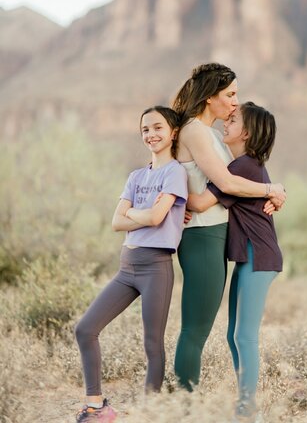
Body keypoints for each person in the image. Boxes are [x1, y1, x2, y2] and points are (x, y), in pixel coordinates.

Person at [172, 63, 285, 392]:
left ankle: (232, 406)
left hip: (218, 238)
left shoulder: (212, 136)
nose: (236, 102)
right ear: (210, 98)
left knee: (223, 332)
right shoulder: (195, 129)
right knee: (197, 330)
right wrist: (271, 190)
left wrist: (275, 191)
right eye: (230, 95)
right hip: (203, 235)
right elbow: (221, 185)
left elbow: (241, 177)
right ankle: (184, 406)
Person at [74, 106, 187, 422]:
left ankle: (149, 412)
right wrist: (143, 215)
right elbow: (115, 222)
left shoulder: (175, 173)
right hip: (127, 268)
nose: (151, 134)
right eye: (145, 130)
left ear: (173, 132)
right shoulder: (136, 176)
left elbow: (155, 217)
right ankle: (97, 407)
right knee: (85, 329)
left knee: (152, 344)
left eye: (157, 127)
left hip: (156, 267)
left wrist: (134, 214)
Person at [187, 102, 282, 423]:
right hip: (247, 256)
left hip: (259, 255)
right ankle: (244, 403)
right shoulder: (240, 164)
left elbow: (200, 202)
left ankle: (247, 411)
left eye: (232, 120)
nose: (226, 123)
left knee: (244, 336)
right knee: (233, 335)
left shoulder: (242, 168)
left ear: (248, 132)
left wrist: (166, 187)